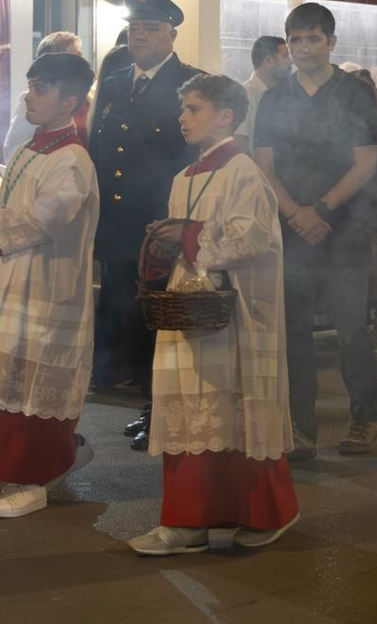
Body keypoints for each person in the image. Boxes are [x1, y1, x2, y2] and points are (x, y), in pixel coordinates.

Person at [129, 74, 298, 555]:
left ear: (225, 116)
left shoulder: (244, 170)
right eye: (183, 108)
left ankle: (268, 512)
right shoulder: (183, 178)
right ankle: (187, 523)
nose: (183, 117)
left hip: (236, 312)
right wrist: (164, 241)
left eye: (194, 108)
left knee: (239, 412)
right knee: (192, 414)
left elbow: (254, 240)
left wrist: (186, 235)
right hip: (191, 309)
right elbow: (191, 244)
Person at [0, 51, 99, 519]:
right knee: (10, 382)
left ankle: (33, 478)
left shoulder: (72, 158)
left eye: (41, 89)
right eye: (30, 85)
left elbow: (43, 220)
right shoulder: (30, 146)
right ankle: (25, 467)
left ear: (69, 100)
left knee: (33, 384)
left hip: (43, 286)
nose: (28, 96)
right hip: (11, 282)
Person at [253, 2, 377, 460]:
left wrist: (322, 208)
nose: (303, 47)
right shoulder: (275, 98)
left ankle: (365, 415)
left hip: (345, 227)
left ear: (330, 42)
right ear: (286, 45)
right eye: (295, 39)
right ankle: (301, 425)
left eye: (312, 39)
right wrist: (295, 213)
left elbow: (366, 162)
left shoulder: (354, 93)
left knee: (351, 326)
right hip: (292, 230)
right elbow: (264, 164)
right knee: (294, 332)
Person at [90, 0, 203, 449]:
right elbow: (101, 150)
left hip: (159, 224)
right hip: (116, 226)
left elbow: (192, 160)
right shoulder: (115, 80)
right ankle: (146, 401)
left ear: (172, 34)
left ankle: (160, 408)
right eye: (135, 27)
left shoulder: (190, 85)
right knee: (127, 315)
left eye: (151, 28)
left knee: (161, 319)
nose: (140, 35)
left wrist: (182, 224)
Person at [2, 32, 87, 160]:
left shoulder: (84, 98)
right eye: (77, 55)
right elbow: (13, 149)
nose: (83, 60)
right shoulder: (34, 101)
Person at [238, 35, 290, 141]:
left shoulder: (287, 94)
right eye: (285, 56)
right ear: (268, 61)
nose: (291, 62)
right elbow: (240, 143)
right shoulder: (244, 95)